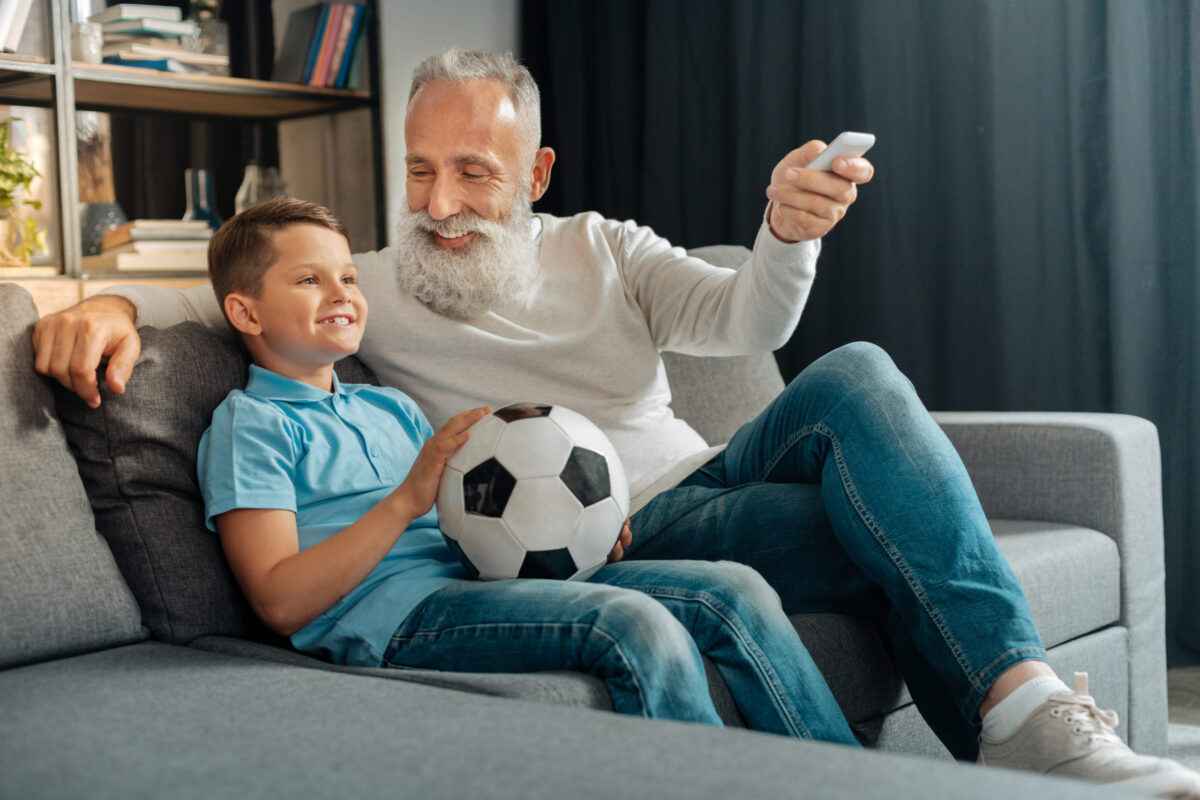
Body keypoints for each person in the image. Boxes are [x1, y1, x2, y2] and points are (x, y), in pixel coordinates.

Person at [33, 49, 1200, 796]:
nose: (441, 205)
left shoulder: (608, 249)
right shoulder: (372, 284)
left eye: (476, 174)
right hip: (602, 537)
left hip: (699, 487)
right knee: (886, 537)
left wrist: (788, 232)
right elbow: (228, 293)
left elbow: (745, 320)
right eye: (421, 170)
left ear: (535, 170)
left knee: (856, 376)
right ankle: (986, 743)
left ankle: (1020, 707)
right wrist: (109, 299)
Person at [195, 195, 862, 742]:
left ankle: (847, 785)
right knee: (634, 624)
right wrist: (403, 501)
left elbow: (470, 526)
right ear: (244, 311)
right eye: (309, 279)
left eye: (347, 276)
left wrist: (583, 530)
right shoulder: (250, 425)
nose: (340, 292)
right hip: (395, 618)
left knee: (734, 589)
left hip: (467, 586)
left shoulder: (387, 406)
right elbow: (279, 602)